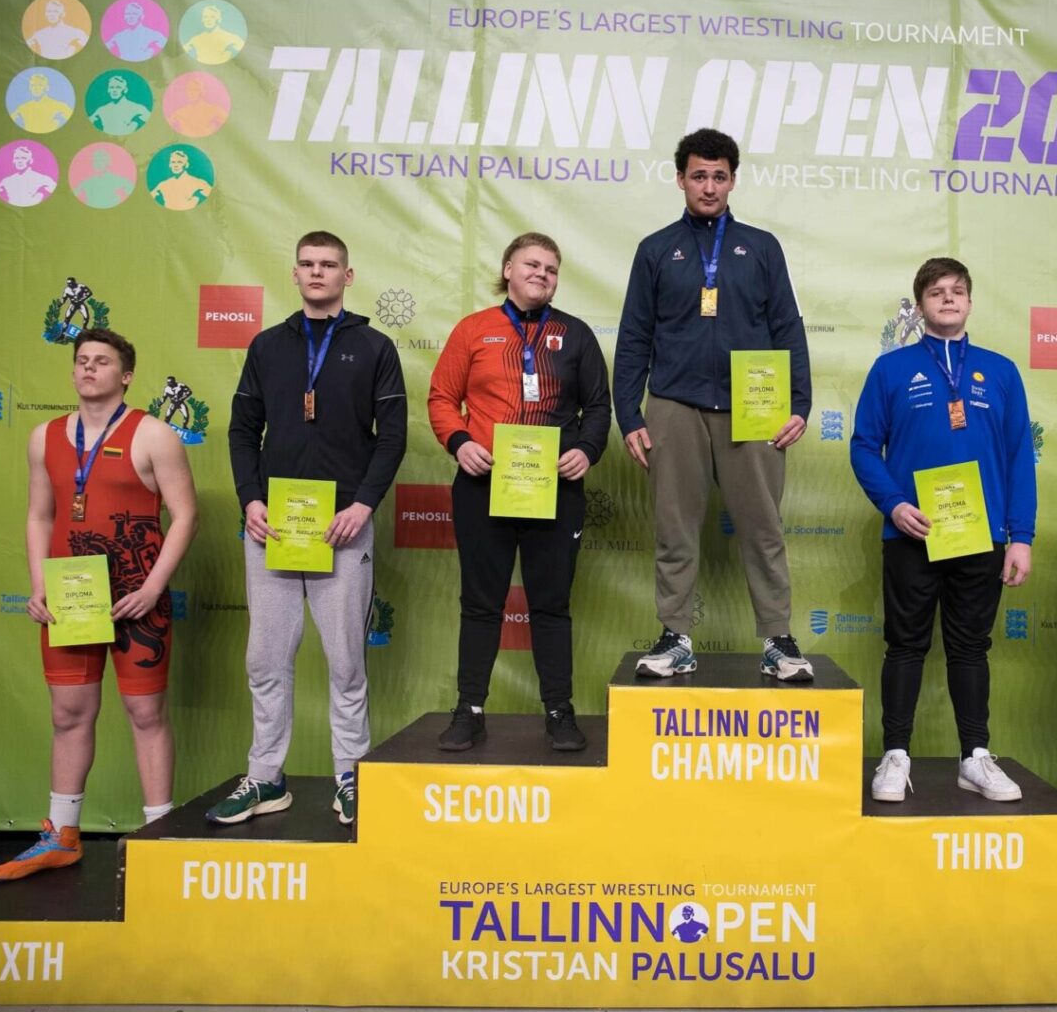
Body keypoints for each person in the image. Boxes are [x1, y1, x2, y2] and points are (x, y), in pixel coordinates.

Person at [0, 330, 197, 882]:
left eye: (101, 362)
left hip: (135, 596)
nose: (88, 368)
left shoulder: (153, 435)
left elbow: (186, 515)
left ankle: (159, 835)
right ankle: (62, 835)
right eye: (81, 360)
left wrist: (153, 587)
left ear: (125, 376)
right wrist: (38, 585)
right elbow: (39, 515)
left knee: (145, 715)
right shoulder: (45, 437)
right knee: (68, 714)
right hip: (71, 595)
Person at [211, 231, 406, 826]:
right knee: (266, 659)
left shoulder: (374, 347)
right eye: (307, 264)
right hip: (273, 527)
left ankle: (350, 774)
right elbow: (243, 431)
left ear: (348, 276)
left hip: (343, 528)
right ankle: (266, 778)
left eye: (329, 264)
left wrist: (364, 506)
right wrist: (250, 500)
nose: (317, 272)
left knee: (346, 661)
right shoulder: (267, 346)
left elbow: (392, 437)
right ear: (294, 274)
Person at [613, 128, 813, 680]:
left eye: (719, 176)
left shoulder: (761, 247)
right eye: (698, 175)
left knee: (763, 528)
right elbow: (634, 335)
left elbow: (787, 327)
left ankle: (778, 640)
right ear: (680, 179)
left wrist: (799, 402)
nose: (708, 186)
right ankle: (675, 636)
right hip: (674, 403)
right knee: (674, 529)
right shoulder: (656, 249)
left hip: (755, 404)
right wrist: (629, 414)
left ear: (732, 181)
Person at [851, 257, 1036, 803]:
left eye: (957, 290)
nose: (948, 298)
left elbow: (1019, 456)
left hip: (981, 536)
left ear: (970, 302)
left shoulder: (1001, 372)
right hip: (913, 533)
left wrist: (1021, 536)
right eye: (936, 292)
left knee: (970, 649)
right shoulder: (891, 369)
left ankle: (975, 757)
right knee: (905, 646)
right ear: (920, 306)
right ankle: (895, 755)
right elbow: (864, 446)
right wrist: (893, 505)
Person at [427, 233, 611, 752]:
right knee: (481, 604)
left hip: (554, 489)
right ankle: (469, 710)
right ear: (508, 268)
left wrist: (587, 450)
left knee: (550, 605)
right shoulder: (474, 329)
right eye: (532, 264)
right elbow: (442, 398)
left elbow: (598, 407)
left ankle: (559, 712)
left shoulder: (575, 335)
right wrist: (459, 442)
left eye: (551, 269)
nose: (541, 274)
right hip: (483, 485)